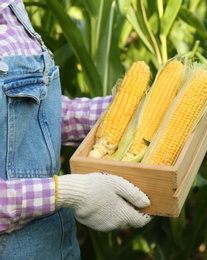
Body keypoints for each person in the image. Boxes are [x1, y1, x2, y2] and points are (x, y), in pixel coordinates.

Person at [0, 1, 151, 258]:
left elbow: (31, 116)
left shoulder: (11, 7)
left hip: (59, 248)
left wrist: (126, 112)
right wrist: (71, 193)